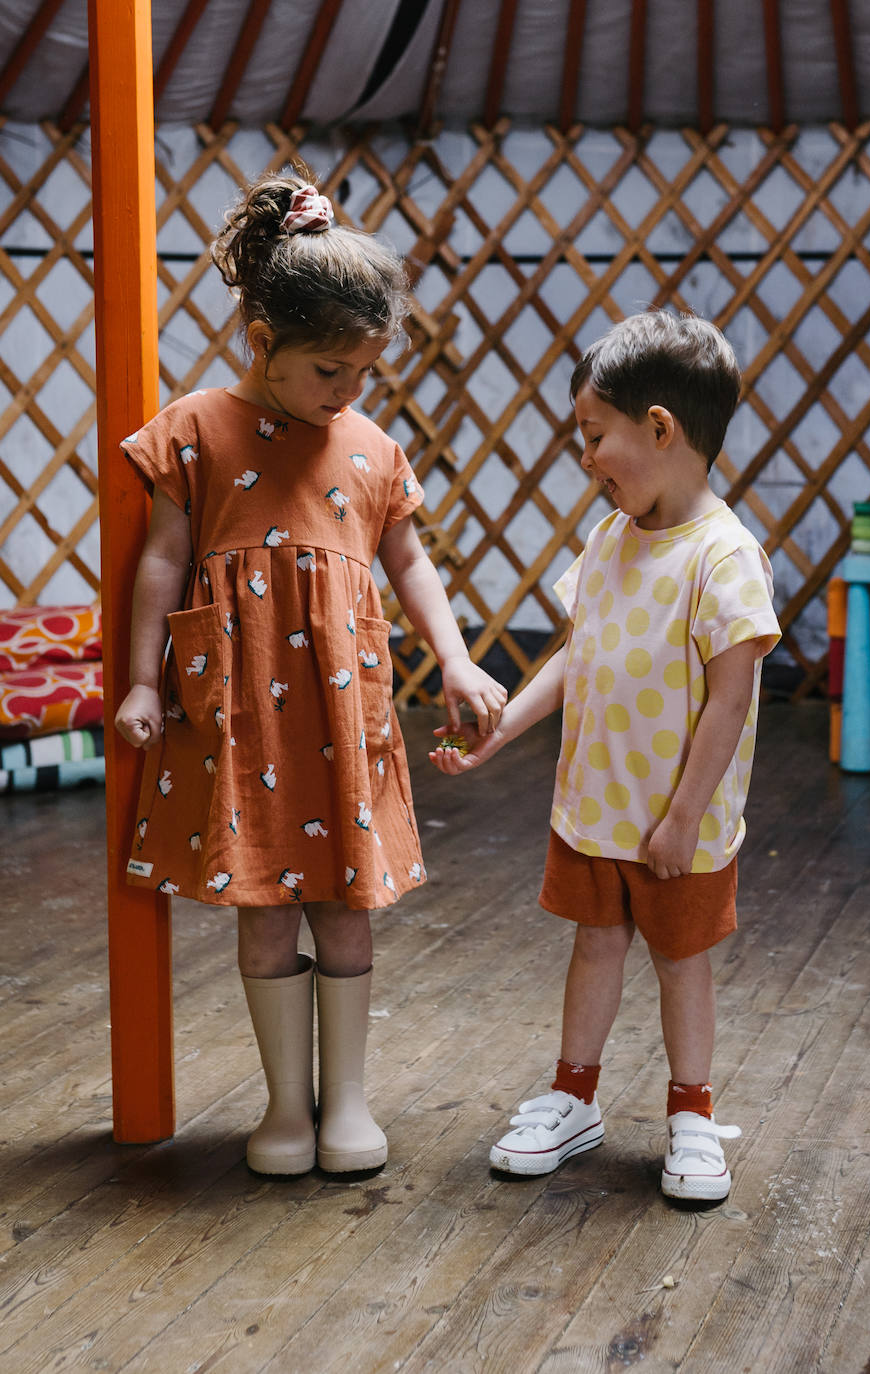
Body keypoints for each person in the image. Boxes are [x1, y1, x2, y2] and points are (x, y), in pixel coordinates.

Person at [115, 172, 506, 1178]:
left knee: (344, 902)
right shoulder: (197, 430)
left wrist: (457, 657)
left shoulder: (370, 446)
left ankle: (350, 1107)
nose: (348, 393)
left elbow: (409, 560)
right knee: (265, 902)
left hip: (341, 711)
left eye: (364, 373)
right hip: (241, 712)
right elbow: (160, 559)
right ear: (262, 341)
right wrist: (144, 680)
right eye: (331, 370)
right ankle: (287, 1108)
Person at [430, 311, 780, 1202]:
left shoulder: (725, 557)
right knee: (595, 945)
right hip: (593, 808)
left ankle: (693, 1116)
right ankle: (573, 1097)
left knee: (679, 961)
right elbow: (575, 655)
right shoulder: (607, 541)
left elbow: (732, 704)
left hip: (676, 827)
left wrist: (684, 819)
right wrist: (500, 731)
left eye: (594, 436)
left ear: (659, 428)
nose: (585, 458)